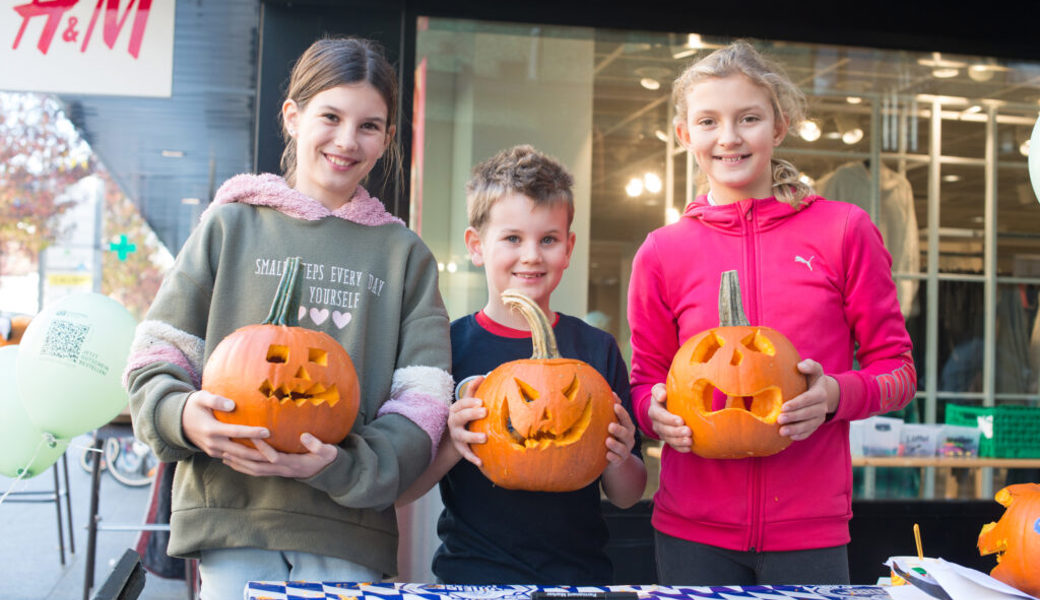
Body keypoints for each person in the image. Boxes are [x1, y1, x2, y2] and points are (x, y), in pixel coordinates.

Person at [122, 37, 453, 599]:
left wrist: (350, 466)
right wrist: (183, 417)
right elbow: (158, 356)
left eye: (370, 125)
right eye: (331, 116)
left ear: (388, 138)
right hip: (231, 516)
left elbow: (424, 400)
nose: (348, 140)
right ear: (293, 117)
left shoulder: (404, 255)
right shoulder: (230, 226)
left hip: (347, 529)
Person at [627, 41, 917, 585]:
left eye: (749, 118)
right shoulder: (662, 252)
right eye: (709, 121)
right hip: (690, 533)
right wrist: (654, 414)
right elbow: (645, 381)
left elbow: (898, 372)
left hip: (810, 532)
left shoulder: (844, 231)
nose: (729, 137)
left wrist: (834, 396)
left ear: (779, 127)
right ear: (686, 135)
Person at [398, 145, 647, 584]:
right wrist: (455, 442)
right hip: (472, 576)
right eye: (512, 238)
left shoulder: (596, 349)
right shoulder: (446, 346)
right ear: (477, 246)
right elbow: (405, 488)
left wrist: (620, 455)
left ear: (568, 249)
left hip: (579, 579)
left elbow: (627, 496)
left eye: (548, 239)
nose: (531, 255)